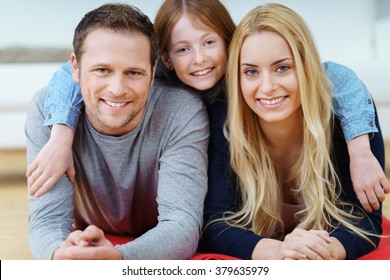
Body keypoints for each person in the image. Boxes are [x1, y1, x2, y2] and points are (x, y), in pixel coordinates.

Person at [26, 0, 388, 214]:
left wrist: (360, 149)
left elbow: (335, 76)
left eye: (209, 42)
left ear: (229, 40)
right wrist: (61, 135)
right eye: (182, 49)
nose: (198, 60)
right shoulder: (158, 80)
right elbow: (67, 74)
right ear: (164, 58)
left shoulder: (251, 75)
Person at [25, 3, 209, 260]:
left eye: (133, 72)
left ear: (153, 72)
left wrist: (117, 259)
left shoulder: (181, 111)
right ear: (75, 68)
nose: (117, 88)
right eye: (102, 70)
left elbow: (183, 223)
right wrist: (60, 255)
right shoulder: (46, 112)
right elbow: (47, 219)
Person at [202, 3, 385, 260]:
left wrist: (320, 252)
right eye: (251, 72)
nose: (267, 87)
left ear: (306, 66)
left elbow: (366, 221)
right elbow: (213, 224)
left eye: (282, 68)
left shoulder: (352, 122)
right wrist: (280, 252)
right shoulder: (225, 119)